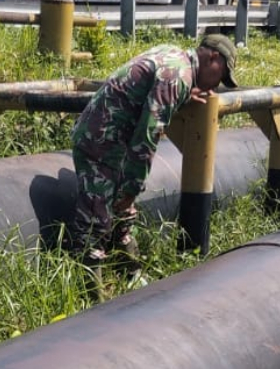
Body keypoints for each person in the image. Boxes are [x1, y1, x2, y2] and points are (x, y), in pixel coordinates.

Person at [69, 34, 239, 292]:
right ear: (212, 57)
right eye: (221, 75)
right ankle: (90, 297)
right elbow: (147, 136)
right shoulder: (177, 77)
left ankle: (131, 278)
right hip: (100, 141)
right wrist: (132, 188)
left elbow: (150, 91)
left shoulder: (175, 57)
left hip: (113, 139)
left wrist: (184, 95)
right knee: (96, 221)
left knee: (123, 215)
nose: (217, 85)